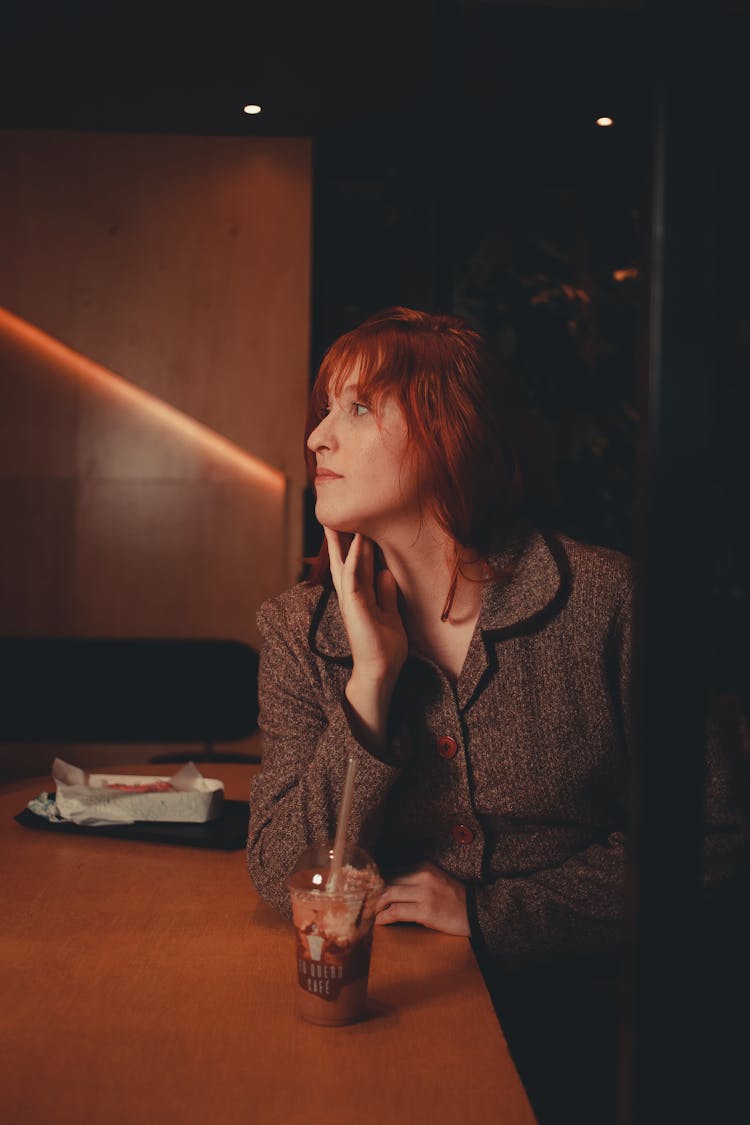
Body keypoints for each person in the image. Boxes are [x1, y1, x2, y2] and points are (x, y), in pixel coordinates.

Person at [245, 306, 745, 1121]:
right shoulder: (298, 633)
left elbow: (715, 834)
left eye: (359, 406)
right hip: (396, 1017)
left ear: (453, 429)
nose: (317, 439)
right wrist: (371, 683)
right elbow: (280, 872)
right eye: (324, 409)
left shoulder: (608, 603)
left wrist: (492, 914)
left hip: (607, 1032)